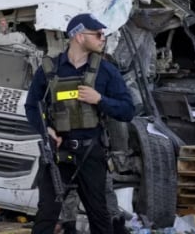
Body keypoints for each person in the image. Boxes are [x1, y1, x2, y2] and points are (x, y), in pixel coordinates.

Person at [25, 13, 135, 234]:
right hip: (57, 152)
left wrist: (100, 100)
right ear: (78, 36)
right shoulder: (50, 70)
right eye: (97, 34)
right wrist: (45, 130)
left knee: (99, 216)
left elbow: (127, 110)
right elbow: (31, 107)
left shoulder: (106, 71)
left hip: (90, 153)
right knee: (46, 215)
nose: (102, 38)